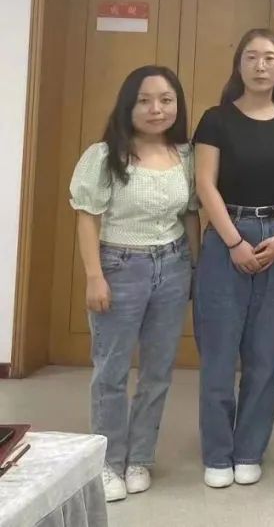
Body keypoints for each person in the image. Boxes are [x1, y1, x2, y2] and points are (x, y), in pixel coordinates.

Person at [69, 66, 200, 504]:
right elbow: (87, 218)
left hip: (173, 266)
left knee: (158, 372)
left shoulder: (185, 155)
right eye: (144, 100)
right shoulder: (105, 155)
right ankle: (108, 463)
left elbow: (190, 215)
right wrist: (94, 276)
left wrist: (195, 268)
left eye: (166, 100)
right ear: (128, 105)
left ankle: (140, 457)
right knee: (111, 371)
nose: (156, 109)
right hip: (120, 266)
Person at [193, 28, 274, 489]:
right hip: (228, 236)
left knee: (264, 355)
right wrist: (234, 243)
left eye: (270, 57)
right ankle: (218, 453)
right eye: (251, 57)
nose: (260, 66)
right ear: (239, 65)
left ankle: (249, 450)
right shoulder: (216, 120)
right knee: (220, 355)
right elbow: (205, 185)